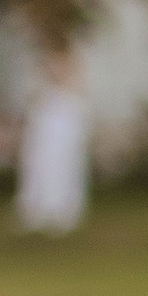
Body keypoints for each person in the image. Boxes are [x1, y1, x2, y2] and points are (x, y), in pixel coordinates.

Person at [14, 44, 91, 237]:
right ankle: (39, 209)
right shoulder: (43, 100)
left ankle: (62, 210)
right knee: (41, 169)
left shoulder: (71, 100)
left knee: (63, 170)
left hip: (63, 140)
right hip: (45, 141)